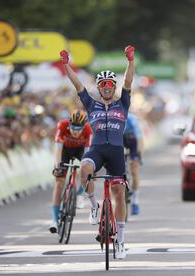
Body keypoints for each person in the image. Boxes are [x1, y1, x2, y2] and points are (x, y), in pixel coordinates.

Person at [60, 45, 135, 259]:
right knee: (84, 168)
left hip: (116, 153)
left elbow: (128, 82)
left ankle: (120, 239)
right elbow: (78, 84)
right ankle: (94, 205)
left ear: (113, 86)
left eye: (110, 85)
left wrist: (131, 61)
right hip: (97, 150)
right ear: (100, 88)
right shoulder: (91, 105)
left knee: (119, 193)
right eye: (103, 85)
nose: (107, 88)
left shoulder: (123, 103)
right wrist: (66, 65)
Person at [49, 110, 92, 234]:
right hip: (65, 151)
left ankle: (79, 194)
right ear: (69, 125)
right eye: (73, 128)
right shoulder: (62, 125)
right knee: (58, 183)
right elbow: (57, 150)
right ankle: (54, 220)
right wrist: (58, 166)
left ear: (83, 127)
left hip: (80, 151)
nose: (75, 132)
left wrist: (87, 169)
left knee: (87, 172)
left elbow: (88, 153)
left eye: (78, 129)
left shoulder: (88, 130)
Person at [123, 112, 143, 215]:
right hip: (120, 140)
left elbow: (139, 137)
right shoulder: (112, 115)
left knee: (134, 171)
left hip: (132, 140)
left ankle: (135, 201)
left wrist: (137, 154)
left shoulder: (131, 118)